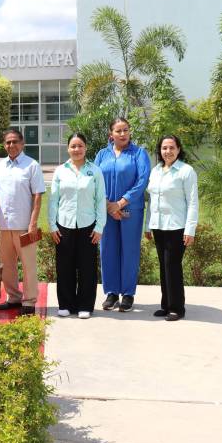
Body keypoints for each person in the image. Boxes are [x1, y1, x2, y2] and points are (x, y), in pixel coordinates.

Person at [94, 117, 151, 313]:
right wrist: (108, 205)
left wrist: (121, 203)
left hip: (130, 211)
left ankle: (127, 294)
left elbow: (142, 180)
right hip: (106, 210)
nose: (123, 134)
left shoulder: (139, 153)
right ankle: (111, 293)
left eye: (125, 130)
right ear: (111, 134)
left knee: (129, 250)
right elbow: (94, 180)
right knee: (107, 249)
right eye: (118, 131)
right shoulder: (102, 154)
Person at [48, 133, 106, 319]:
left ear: (85, 148)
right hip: (63, 225)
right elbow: (53, 200)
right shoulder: (60, 171)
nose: (76, 149)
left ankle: (85, 305)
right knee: (64, 267)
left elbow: (100, 201)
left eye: (80, 145)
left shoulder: (94, 171)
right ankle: (65, 304)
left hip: (88, 225)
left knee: (87, 267)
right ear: (68, 149)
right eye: (73, 146)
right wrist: (52, 225)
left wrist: (99, 227)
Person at [0, 129, 46, 316]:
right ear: (4, 145)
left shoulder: (32, 166)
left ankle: (29, 301)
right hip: (5, 227)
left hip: (25, 226)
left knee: (29, 265)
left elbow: (37, 196)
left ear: (22, 144)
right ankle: (13, 297)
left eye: (15, 142)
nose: (11, 145)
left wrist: (33, 223)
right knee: (7, 265)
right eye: (8, 142)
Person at [144, 135, 198, 322]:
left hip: (177, 226)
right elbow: (152, 200)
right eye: (164, 148)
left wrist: (190, 230)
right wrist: (148, 225)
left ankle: (177, 308)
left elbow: (192, 202)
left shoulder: (186, 171)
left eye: (171, 147)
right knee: (163, 266)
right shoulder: (156, 171)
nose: (168, 151)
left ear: (179, 149)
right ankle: (166, 304)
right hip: (158, 226)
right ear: (160, 150)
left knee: (172, 266)